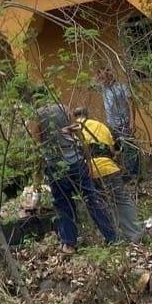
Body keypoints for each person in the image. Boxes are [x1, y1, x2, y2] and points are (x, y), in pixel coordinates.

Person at [28, 95, 117, 254]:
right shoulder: (63, 108)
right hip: (76, 162)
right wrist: (88, 159)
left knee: (64, 206)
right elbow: (79, 135)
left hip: (57, 168)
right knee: (92, 199)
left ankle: (69, 244)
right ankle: (112, 237)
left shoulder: (36, 117)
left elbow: (37, 150)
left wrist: (36, 187)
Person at [73, 106, 142, 242]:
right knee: (122, 200)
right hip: (109, 168)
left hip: (89, 172)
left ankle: (112, 237)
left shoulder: (74, 130)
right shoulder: (101, 126)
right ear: (88, 114)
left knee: (98, 204)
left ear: (75, 117)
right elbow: (112, 150)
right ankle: (135, 234)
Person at [96, 67, 140, 179]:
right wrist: (99, 75)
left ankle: (135, 174)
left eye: (106, 72)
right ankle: (124, 172)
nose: (103, 76)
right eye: (102, 74)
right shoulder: (103, 88)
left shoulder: (122, 87)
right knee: (115, 149)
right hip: (111, 125)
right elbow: (90, 83)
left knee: (129, 148)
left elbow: (131, 104)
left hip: (124, 123)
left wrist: (132, 122)